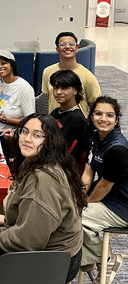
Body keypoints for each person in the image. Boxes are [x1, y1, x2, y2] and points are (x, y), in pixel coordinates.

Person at [0, 113, 86, 284]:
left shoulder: (43, 180)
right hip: (57, 253)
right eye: (24, 132)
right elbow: (38, 219)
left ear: (50, 141)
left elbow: (29, 240)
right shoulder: (43, 160)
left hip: (53, 263)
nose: (27, 139)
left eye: (37, 135)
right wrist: (10, 220)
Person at [80, 96, 128, 283]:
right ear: (92, 116)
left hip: (122, 205)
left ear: (116, 120)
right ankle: (90, 260)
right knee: (68, 208)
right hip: (108, 198)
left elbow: (104, 186)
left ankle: (106, 259)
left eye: (110, 115)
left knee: (75, 217)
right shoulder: (95, 137)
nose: (103, 119)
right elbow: (88, 171)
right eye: (98, 113)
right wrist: (79, 195)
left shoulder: (118, 149)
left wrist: (84, 204)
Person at [0, 50, 35, 164]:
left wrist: (3, 119)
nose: (0, 67)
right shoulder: (1, 83)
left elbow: (30, 121)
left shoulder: (24, 88)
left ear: (12, 65)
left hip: (12, 139)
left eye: (3, 63)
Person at [41, 31, 101, 117]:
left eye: (71, 44)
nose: (67, 47)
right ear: (57, 50)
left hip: (76, 124)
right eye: (63, 44)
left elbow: (95, 106)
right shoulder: (47, 72)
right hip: (54, 123)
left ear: (76, 49)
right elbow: (49, 98)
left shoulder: (88, 76)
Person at [49, 69, 87, 166]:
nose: (58, 92)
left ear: (75, 90)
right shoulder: (55, 112)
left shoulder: (77, 119)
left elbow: (62, 151)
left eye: (64, 88)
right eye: (56, 87)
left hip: (65, 170)